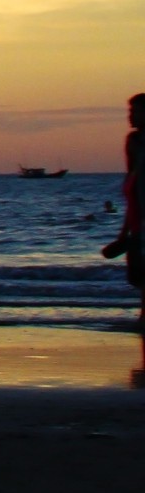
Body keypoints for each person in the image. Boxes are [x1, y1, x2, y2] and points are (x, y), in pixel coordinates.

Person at [103, 94, 145, 324]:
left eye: (135, 111)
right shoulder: (133, 141)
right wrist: (124, 233)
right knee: (138, 277)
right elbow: (132, 197)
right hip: (137, 226)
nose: (130, 116)